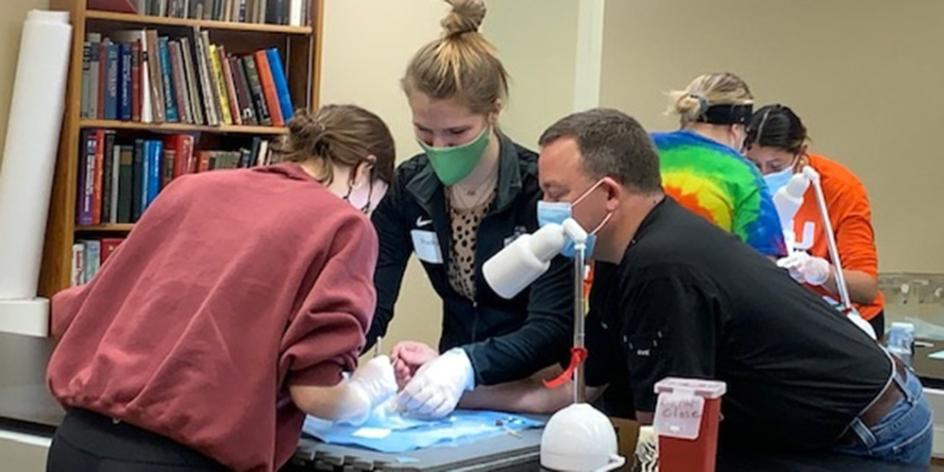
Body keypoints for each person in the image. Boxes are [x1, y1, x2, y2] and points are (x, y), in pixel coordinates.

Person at [514, 108, 931, 465]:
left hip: (868, 431)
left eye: (555, 192)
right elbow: (580, 384)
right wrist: (466, 386)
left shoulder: (662, 267)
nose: (546, 206)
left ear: (609, 194)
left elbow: (668, 438)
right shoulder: (617, 253)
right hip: (812, 421)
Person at [45, 105, 401, 472]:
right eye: (372, 202)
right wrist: (368, 390)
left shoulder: (191, 188)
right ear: (363, 171)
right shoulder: (345, 225)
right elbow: (316, 394)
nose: (366, 211)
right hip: (178, 459)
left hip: (77, 442)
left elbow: (81, 310)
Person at [366, 0, 572, 419]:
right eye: (424, 131)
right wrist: (336, 360)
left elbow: (551, 326)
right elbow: (371, 294)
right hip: (456, 393)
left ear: (493, 112)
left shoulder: (541, 192)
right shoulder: (410, 188)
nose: (439, 148)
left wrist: (465, 366)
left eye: (457, 132)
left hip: (538, 390)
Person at [745, 104, 886, 338]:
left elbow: (866, 288)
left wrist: (822, 273)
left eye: (776, 166)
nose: (764, 175)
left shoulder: (838, 188)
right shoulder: (740, 183)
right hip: (778, 314)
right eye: (754, 165)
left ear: (801, 154)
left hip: (838, 321)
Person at [653, 72, 785, 257]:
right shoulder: (743, 175)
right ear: (737, 129)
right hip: (700, 283)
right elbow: (763, 263)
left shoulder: (642, 149)